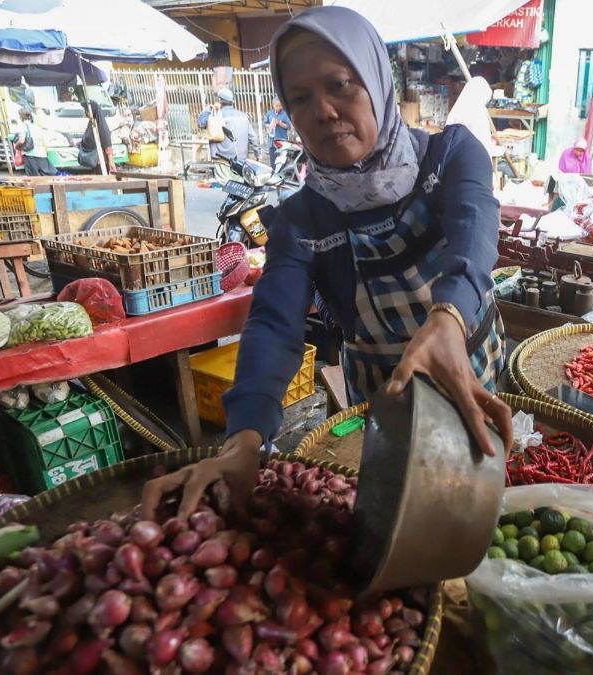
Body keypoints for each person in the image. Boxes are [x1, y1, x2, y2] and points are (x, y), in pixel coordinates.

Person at [141, 6, 515, 518]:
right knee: (402, 506)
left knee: (477, 496)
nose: (323, 111)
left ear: (377, 82)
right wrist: (244, 439)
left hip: (466, 360)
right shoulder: (301, 219)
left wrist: (448, 317)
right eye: (300, 99)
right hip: (383, 392)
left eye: (340, 85)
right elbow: (274, 324)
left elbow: (476, 227)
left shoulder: (450, 156)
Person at [198, 88, 261, 183]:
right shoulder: (243, 116)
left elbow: (201, 123)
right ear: (232, 102)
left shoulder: (215, 116)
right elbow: (253, 137)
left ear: (219, 101)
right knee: (239, 186)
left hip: (222, 159)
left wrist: (209, 109)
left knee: (225, 187)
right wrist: (258, 154)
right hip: (240, 159)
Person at [15, 108, 54, 177]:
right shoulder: (36, 126)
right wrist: (45, 151)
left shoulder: (22, 126)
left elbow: (21, 141)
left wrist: (16, 146)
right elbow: (43, 140)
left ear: (21, 117)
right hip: (41, 154)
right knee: (47, 175)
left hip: (30, 154)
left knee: (33, 177)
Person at [79, 101, 115, 175]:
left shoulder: (99, 124)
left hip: (101, 162)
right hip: (95, 162)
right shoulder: (91, 124)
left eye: (86, 110)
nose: (85, 113)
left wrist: (111, 161)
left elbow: (107, 142)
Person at [264, 97, 292, 166]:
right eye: (277, 106)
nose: (278, 107)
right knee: (273, 164)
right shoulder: (269, 113)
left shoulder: (285, 114)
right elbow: (265, 124)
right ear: (273, 105)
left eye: (280, 106)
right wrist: (270, 125)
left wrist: (279, 123)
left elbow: (289, 127)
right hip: (272, 143)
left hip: (282, 143)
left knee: (282, 164)